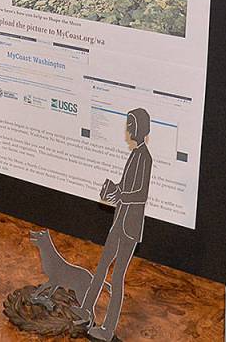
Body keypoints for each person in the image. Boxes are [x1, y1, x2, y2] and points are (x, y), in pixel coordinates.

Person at [73, 108, 154, 341]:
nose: (127, 130)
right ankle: (86, 309)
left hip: (129, 228)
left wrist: (120, 196)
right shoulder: (135, 155)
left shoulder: (144, 157)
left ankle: (108, 329)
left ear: (139, 128)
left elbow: (140, 194)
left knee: (117, 278)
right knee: (101, 269)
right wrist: (114, 190)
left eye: (130, 125)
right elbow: (127, 187)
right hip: (119, 222)